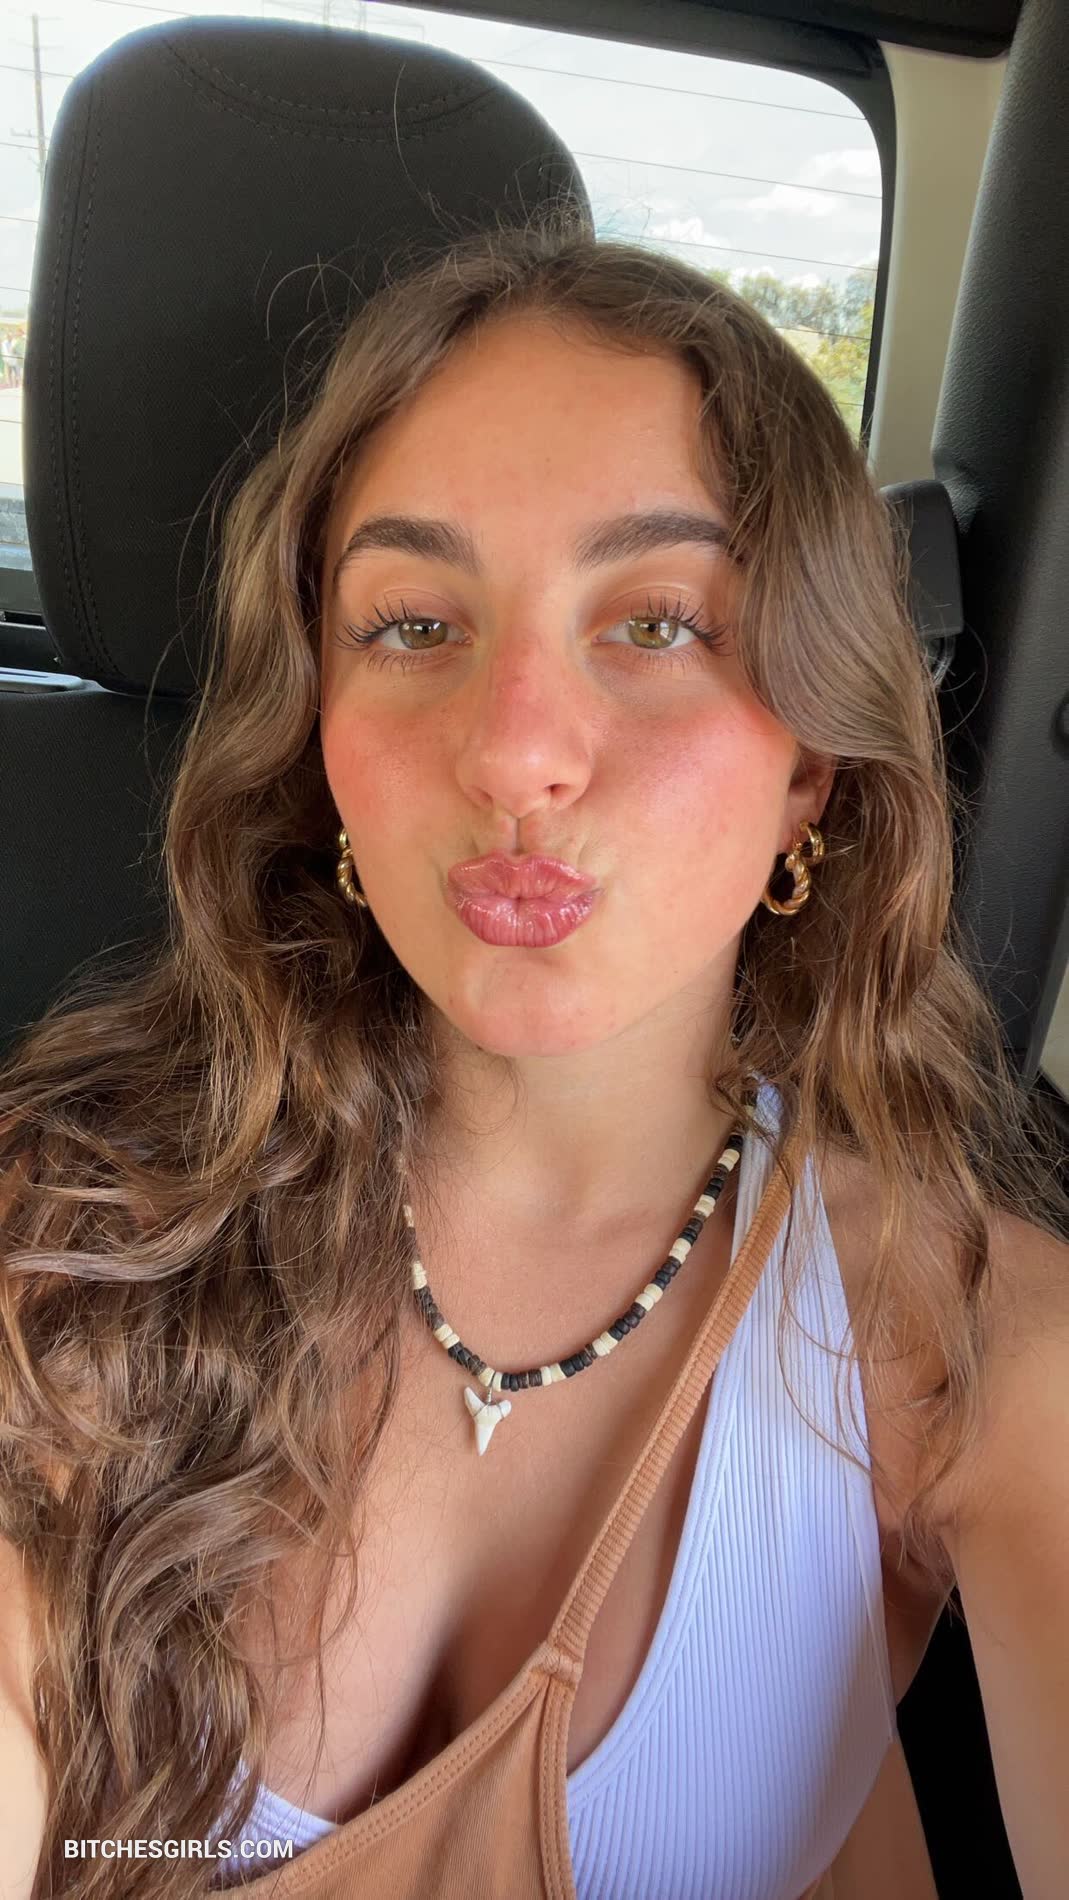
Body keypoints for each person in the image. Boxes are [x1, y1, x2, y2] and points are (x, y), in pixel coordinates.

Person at [0, 203, 1066, 1900]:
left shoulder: (974, 1343)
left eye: (656, 623)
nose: (512, 753)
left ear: (808, 771)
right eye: (413, 625)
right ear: (322, 742)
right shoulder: (76, 1233)